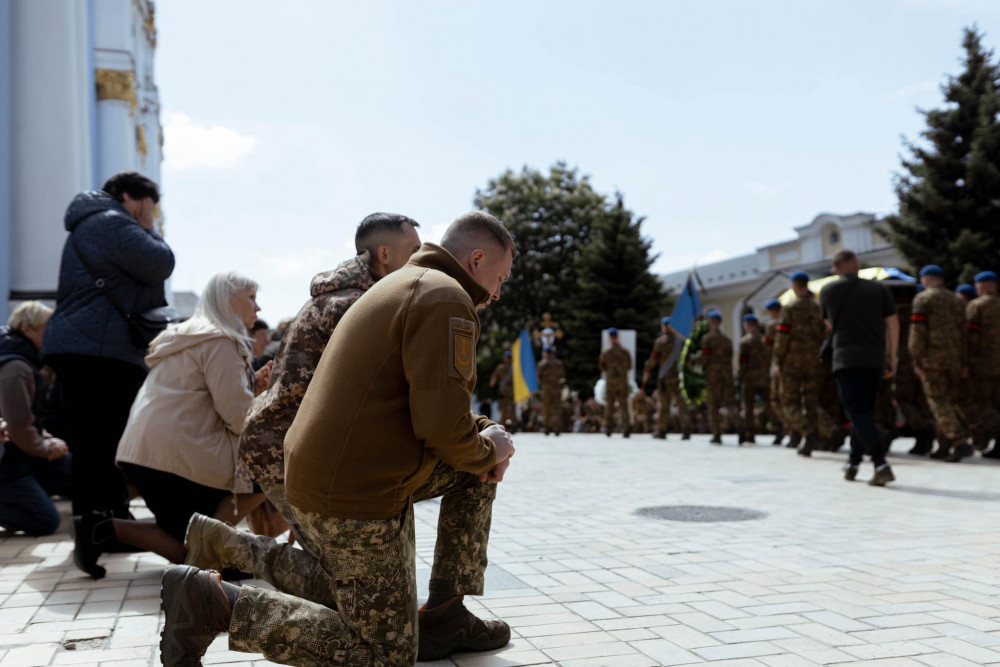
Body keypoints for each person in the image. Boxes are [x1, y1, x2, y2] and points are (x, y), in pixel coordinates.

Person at [159, 212, 517, 665]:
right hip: (355, 493)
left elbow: (428, 399)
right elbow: (440, 427)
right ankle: (216, 603)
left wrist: (485, 440)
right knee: (386, 654)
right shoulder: (446, 298)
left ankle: (446, 613)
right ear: (476, 258)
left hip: (338, 476)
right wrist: (490, 448)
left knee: (467, 476)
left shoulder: (406, 283)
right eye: (500, 278)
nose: (499, 292)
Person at [184, 213, 421, 600]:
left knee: (348, 575)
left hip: (292, 444)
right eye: (413, 250)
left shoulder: (353, 297)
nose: (419, 260)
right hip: (289, 448)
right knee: (350, 583)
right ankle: (226, 546)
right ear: (384, 254)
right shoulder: (352, 305)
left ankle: (222, 542)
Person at [72, 272, 272, 579]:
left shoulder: (189, 335)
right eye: (251, 297)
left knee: (186, 545)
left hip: (148, 453)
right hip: (180, 456)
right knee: (268, 470)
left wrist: (249, 388)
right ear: (227, 300)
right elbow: (236, 416)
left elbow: (202, 397)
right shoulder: (222, 339)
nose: (257, 309)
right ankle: (212, 551)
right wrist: (263, 401)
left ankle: (102, 528)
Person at [41, 172, 175, 519]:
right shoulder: (110, 221)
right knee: (109, 440)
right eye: (148, 205)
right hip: (98, 350)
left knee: (95, 442)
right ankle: (105, 522)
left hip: (86, 346)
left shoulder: (93, 222)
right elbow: (160, 262)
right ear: (130, 197)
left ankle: (99, 521)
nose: (150, 213)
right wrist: (147, 228)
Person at [819, 250, 900, 485]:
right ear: (856, 265)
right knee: (863, 412)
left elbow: (828, 326)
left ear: (836, 268)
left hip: (846, 359)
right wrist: (891, 356)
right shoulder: (879, 289)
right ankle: (853, 463)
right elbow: (893, 325)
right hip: (875, 359)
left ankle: (880, 463)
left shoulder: (827, 291)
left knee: (858, 412)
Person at [0, 302, 71, 536]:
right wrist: (45, 448)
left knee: (74, 470)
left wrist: (49, 441)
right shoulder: (16, 366)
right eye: (46, 328)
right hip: (9, 463)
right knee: (44, 521)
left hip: (21, 456)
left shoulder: (26, 359)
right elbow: (18, 426)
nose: (52, 334)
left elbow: (31, 419)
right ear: (28, 328)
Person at [910, 264, 971, 462]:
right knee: (949, 402)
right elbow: (965, 334)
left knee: (938, 403)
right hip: (954, 359)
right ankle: (943, 447)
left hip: (932, 360)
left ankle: (959, 441)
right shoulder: (957, 301)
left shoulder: (923, 299)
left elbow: (917, 333)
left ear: (925, 279)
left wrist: (916, 358)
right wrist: (963, 362)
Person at [773, 271, 826, 456]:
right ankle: (810, 439)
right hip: (813, 361)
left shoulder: (789, 308)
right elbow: (823, 334)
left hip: (792, 362)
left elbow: (782, 338)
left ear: (794, 285)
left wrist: (778, 361)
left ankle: (807, 433)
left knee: (788, 401)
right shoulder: (818, 308)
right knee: (810, 401)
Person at [966, 271, 1000, 458]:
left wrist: (966, 361)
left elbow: (971, 338)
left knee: (982, 404)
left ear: (985, 285)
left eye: (978, 284)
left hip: (984, 365)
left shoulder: (977, 305)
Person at [641, 316, 690, 440]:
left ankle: (662, 430)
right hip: (679, 377)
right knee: (681, 404)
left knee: (664, 405)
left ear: (664, 327)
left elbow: (653, 360)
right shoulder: (681, 341)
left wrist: (647, 369)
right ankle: (686, 430)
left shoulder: (660, 342)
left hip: (665, 378)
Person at [702, 311, 744, 444]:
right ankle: (740, 427)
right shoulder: (727, 340)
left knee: (713, 406)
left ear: (710, 322)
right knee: (731, 404)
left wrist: (694, 362)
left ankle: (717, 435)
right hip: (727, 376)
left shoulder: (707, 339)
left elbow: (705, 358)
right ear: (720, 323)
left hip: (713, 377)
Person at [738, 313, 770, 445]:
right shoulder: (764, 340)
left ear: (747, 325)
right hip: (764, 378)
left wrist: (740, 375)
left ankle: (750, 434)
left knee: (748, 407)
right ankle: (778, 429)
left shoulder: (745, 341)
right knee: (770, 404)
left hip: (750, 379)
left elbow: (742, 362)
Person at [763, 299, 789, 445]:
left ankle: (790, 428)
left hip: (778, 366)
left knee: (776, 400)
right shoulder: (790, 320)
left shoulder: (772, 325)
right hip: (794, 365)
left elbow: (768, 347)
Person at [599, 328, 632, 438]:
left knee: (609, 406)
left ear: (610, 337)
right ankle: (626, 428)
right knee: (624, 406)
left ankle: (608, 428)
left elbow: (602, 366)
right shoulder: (625, 352)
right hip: (622, 383)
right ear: (618, 337)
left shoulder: (606, 352)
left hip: (611, 383)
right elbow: (629, 366)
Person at [537, 346, 565, 435]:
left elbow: (539, 377)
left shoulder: (541, 364)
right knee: (556, 409)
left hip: (546, 390)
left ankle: (547, 428)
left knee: (546, 408)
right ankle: (557, 428)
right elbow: (562, 376)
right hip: (556, 389)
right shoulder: (558, 363)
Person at [489, 350, 516, 430]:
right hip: (507, 391)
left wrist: (492, 384)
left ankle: (512, 426)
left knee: (511, 409)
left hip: (509, 390)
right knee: (504, 409)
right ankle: (504, 426)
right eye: (508, 357)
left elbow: (493, 380)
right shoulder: (510, 367)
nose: (508, 359)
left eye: (509, 357)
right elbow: (494, 378)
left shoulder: (509, 368)